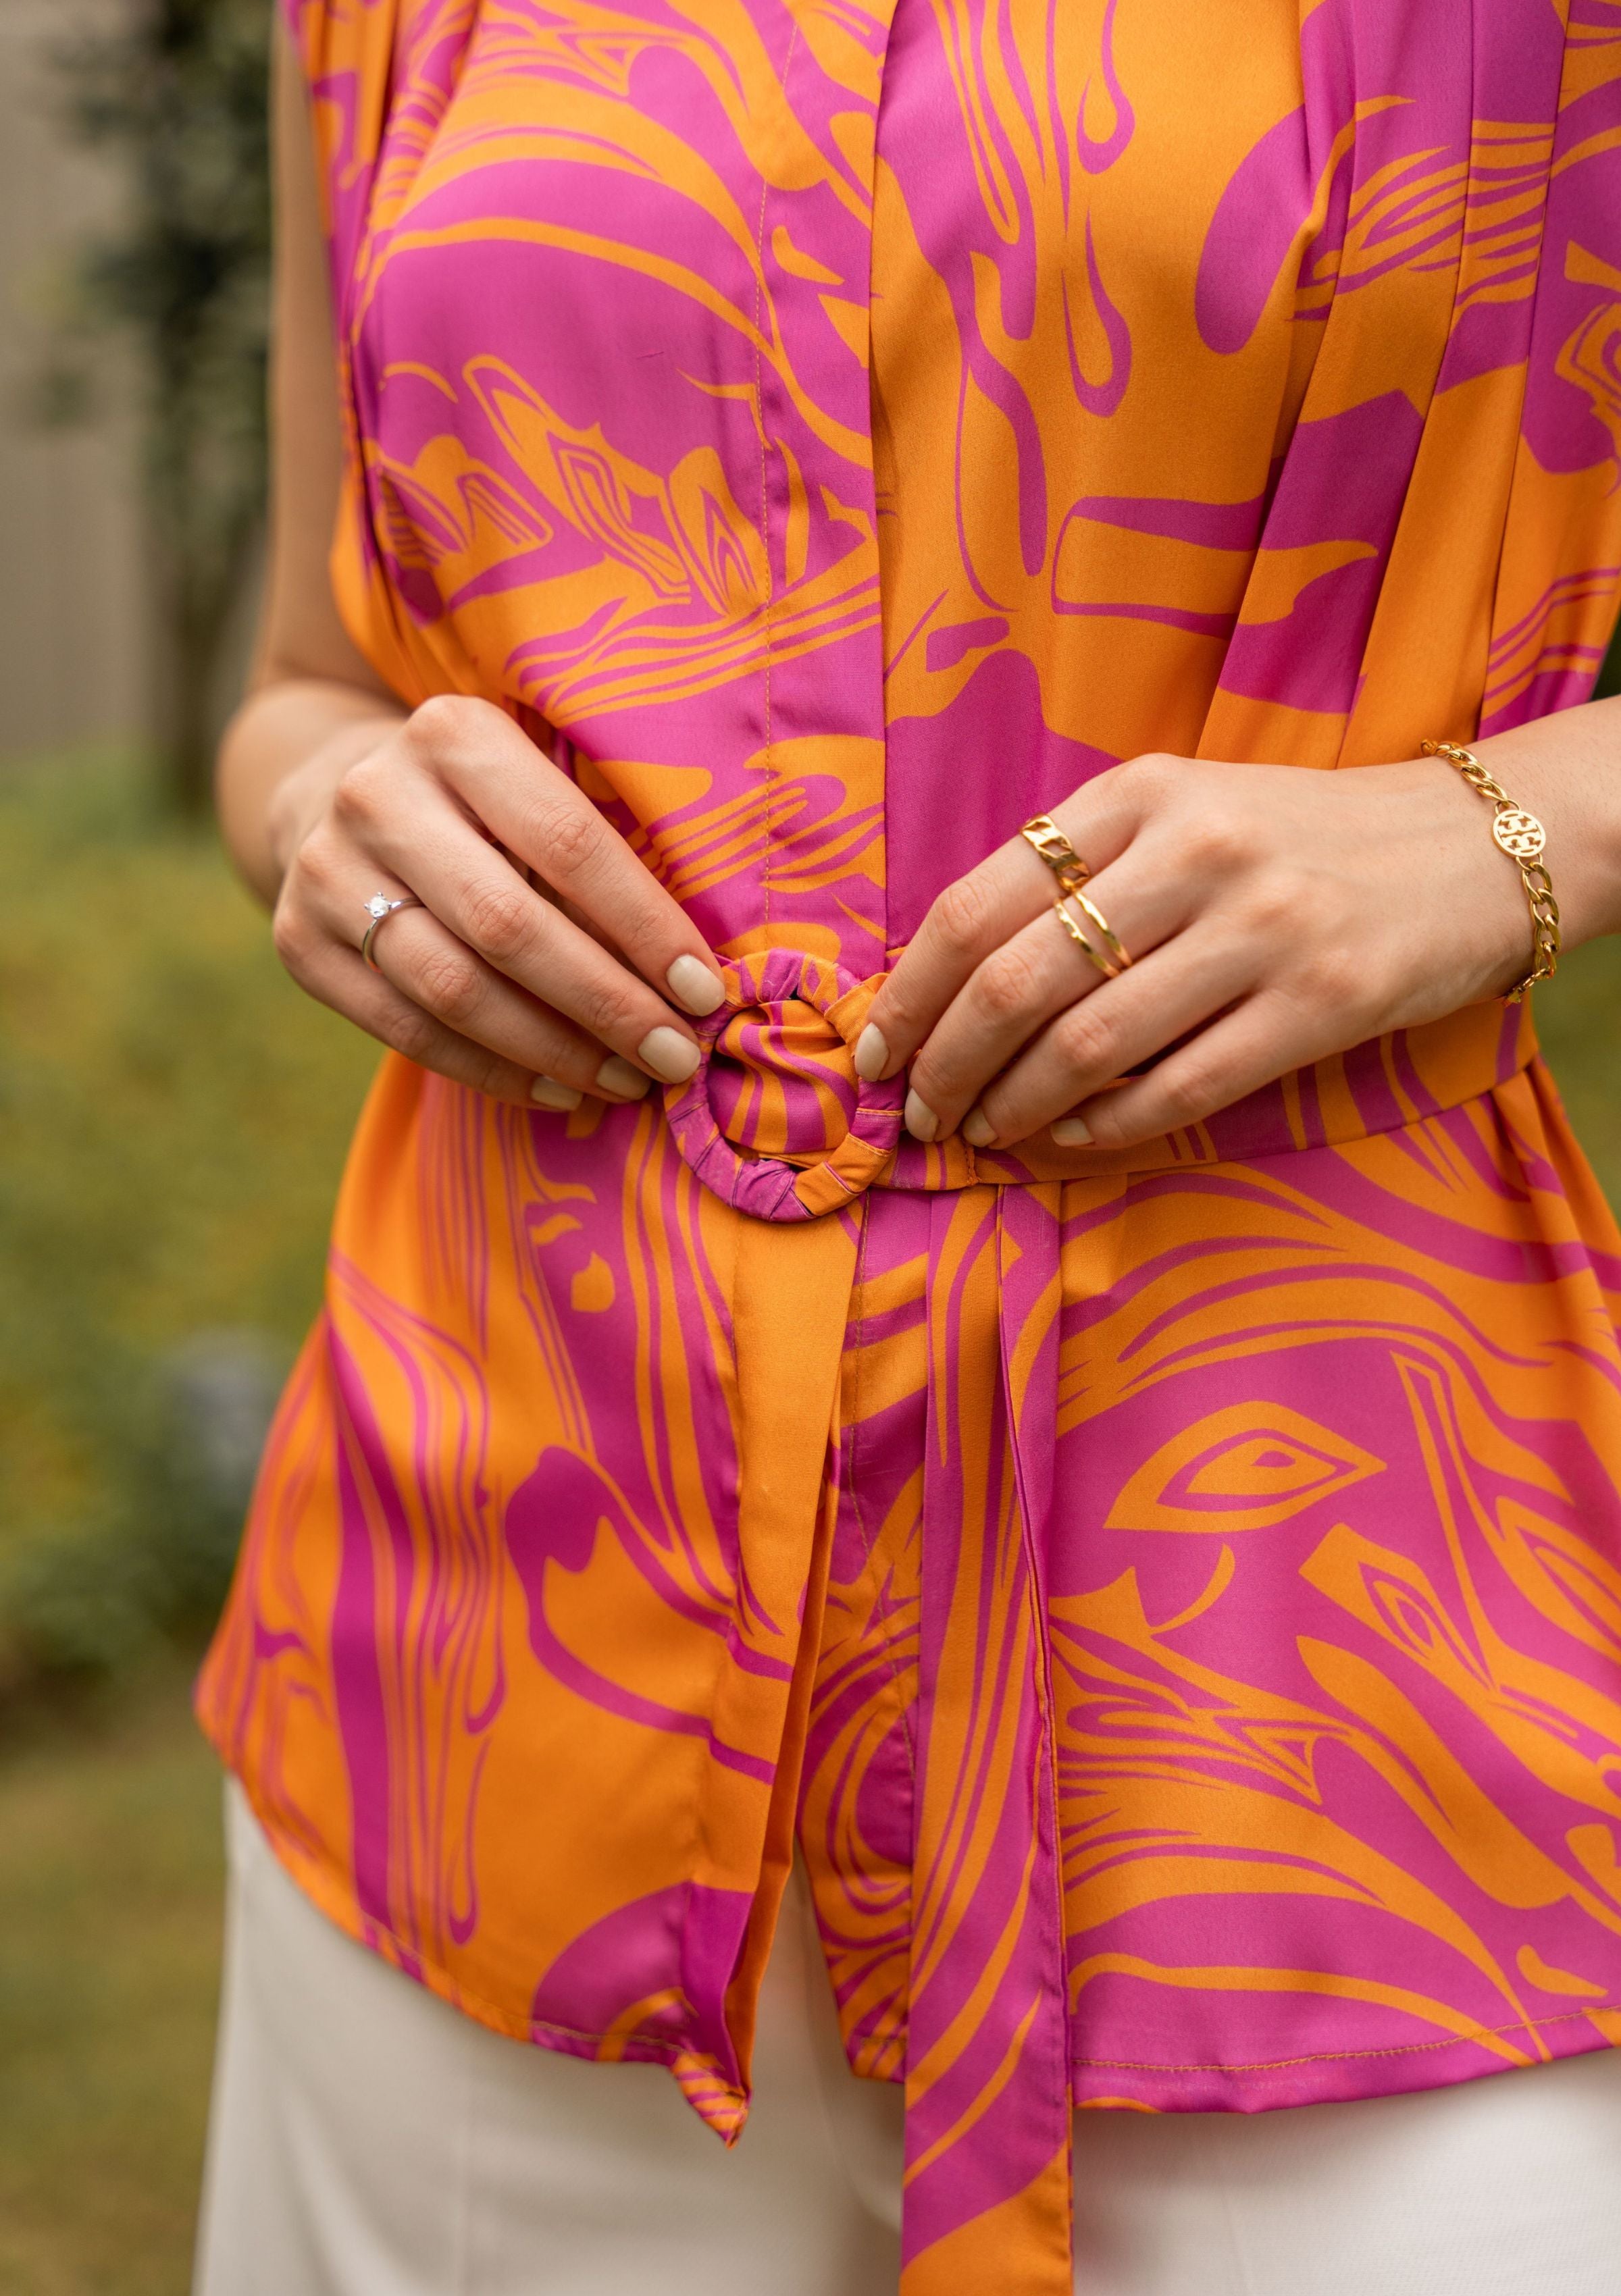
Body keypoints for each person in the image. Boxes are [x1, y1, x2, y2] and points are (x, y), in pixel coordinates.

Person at [193, 3, 1621, 2291]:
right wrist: (336, 815)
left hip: (1342, 1675)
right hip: (495, 1662)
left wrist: (1508, 832)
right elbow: (304, 678)